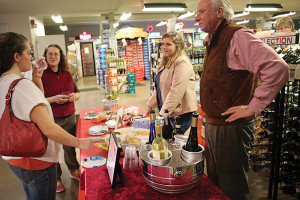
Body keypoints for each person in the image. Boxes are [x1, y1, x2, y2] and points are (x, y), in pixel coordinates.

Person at [195, 0, 289, 199]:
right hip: (216, 125)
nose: (196, 17)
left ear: (219, 12)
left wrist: (252, 107)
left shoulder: (237, 36)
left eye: (202, 12)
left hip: (231, 127)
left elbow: (277, 68)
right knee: (216, 184)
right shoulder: (215, 38)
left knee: (232, 188)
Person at [0, 32, 94, 200]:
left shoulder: (4, 83)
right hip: (36, 161)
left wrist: (37, 77)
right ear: (16, 56)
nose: (31, 58)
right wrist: (80, 142)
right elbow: (49, 129)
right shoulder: (22, 86)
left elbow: (34, 104)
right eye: (28, 53)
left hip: (14, 159)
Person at [41, 44, 81, 192]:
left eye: (56, 54)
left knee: (70, 146)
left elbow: (77, 92)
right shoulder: (41, 75)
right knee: (54, 150)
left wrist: (75, 96)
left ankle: (73, 170)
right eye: (50, 54)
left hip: (70, 115)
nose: (53, 57)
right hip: (52, 118)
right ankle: (56, 177)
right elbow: (39, 99)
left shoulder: (67, 73)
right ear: (45, 56)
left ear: (60, 56)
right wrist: (54, 99)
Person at [146, 31, 197, 133]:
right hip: (170, 113)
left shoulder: (182, 63)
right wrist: (150, 105)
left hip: (181, 116)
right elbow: (161, 88)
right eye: (163, 44)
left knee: (174, 145)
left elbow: (176, 92)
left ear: (178, 46)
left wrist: (162, 115)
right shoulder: (168, 61)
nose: (164, 47)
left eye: (168, 44)